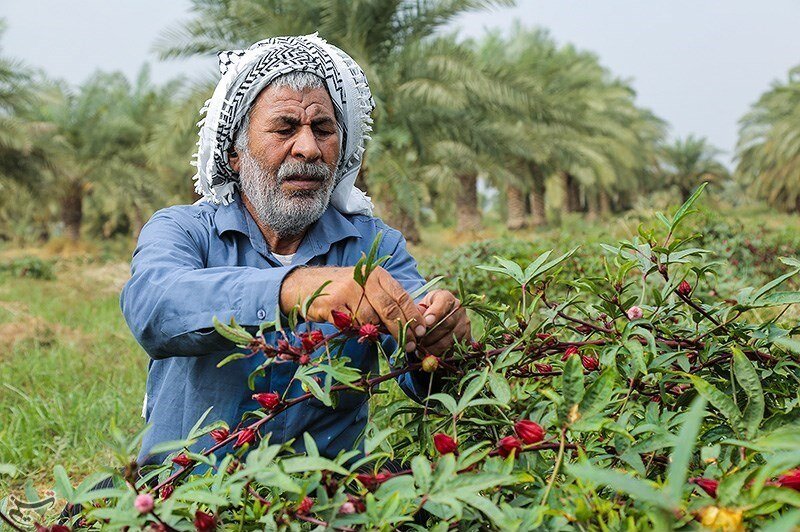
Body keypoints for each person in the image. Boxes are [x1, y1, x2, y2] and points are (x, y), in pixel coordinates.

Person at [120, 34, 470, 466]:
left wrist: (438, 339)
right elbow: (154, 307)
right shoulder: (185, 229)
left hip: (325, 497)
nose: (308, 148)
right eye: (285, 128)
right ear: (235, 152)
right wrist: (295, 288)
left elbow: (426, 376)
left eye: (323, 130)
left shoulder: (374, 245)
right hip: (193, 493)